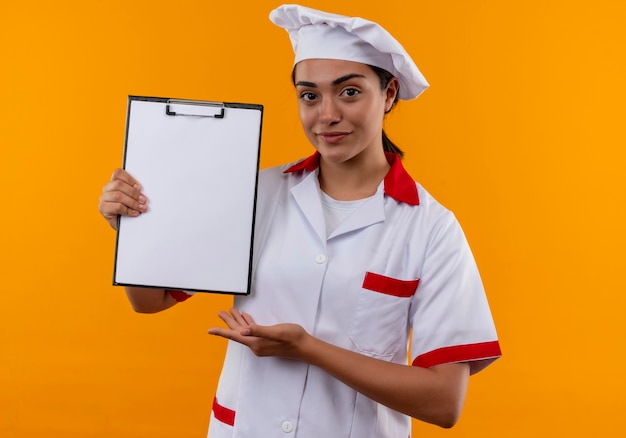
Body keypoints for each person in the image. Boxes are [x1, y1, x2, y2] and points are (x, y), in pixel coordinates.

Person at [98, 4, 501, 437]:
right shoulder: (255, 194)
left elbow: (444, 403)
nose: (326, 114)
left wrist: (308, 348)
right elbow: (149, 301)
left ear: (387, 95)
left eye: (349, 92)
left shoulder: (431, 229)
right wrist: (132, 226)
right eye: (310, 95)